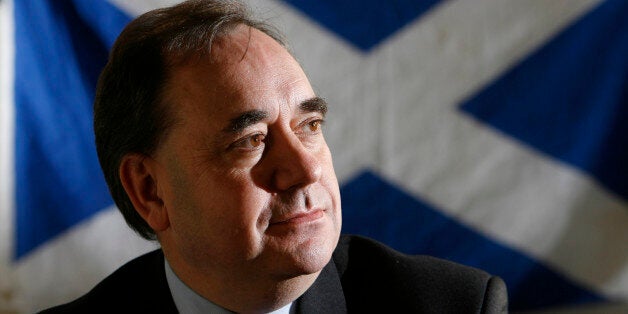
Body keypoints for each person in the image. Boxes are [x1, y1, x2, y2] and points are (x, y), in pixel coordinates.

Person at [41, 0, 508, 313]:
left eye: (310, 127)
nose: (306, 171)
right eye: (251, 141)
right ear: (149, 190)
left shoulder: (454, 305)